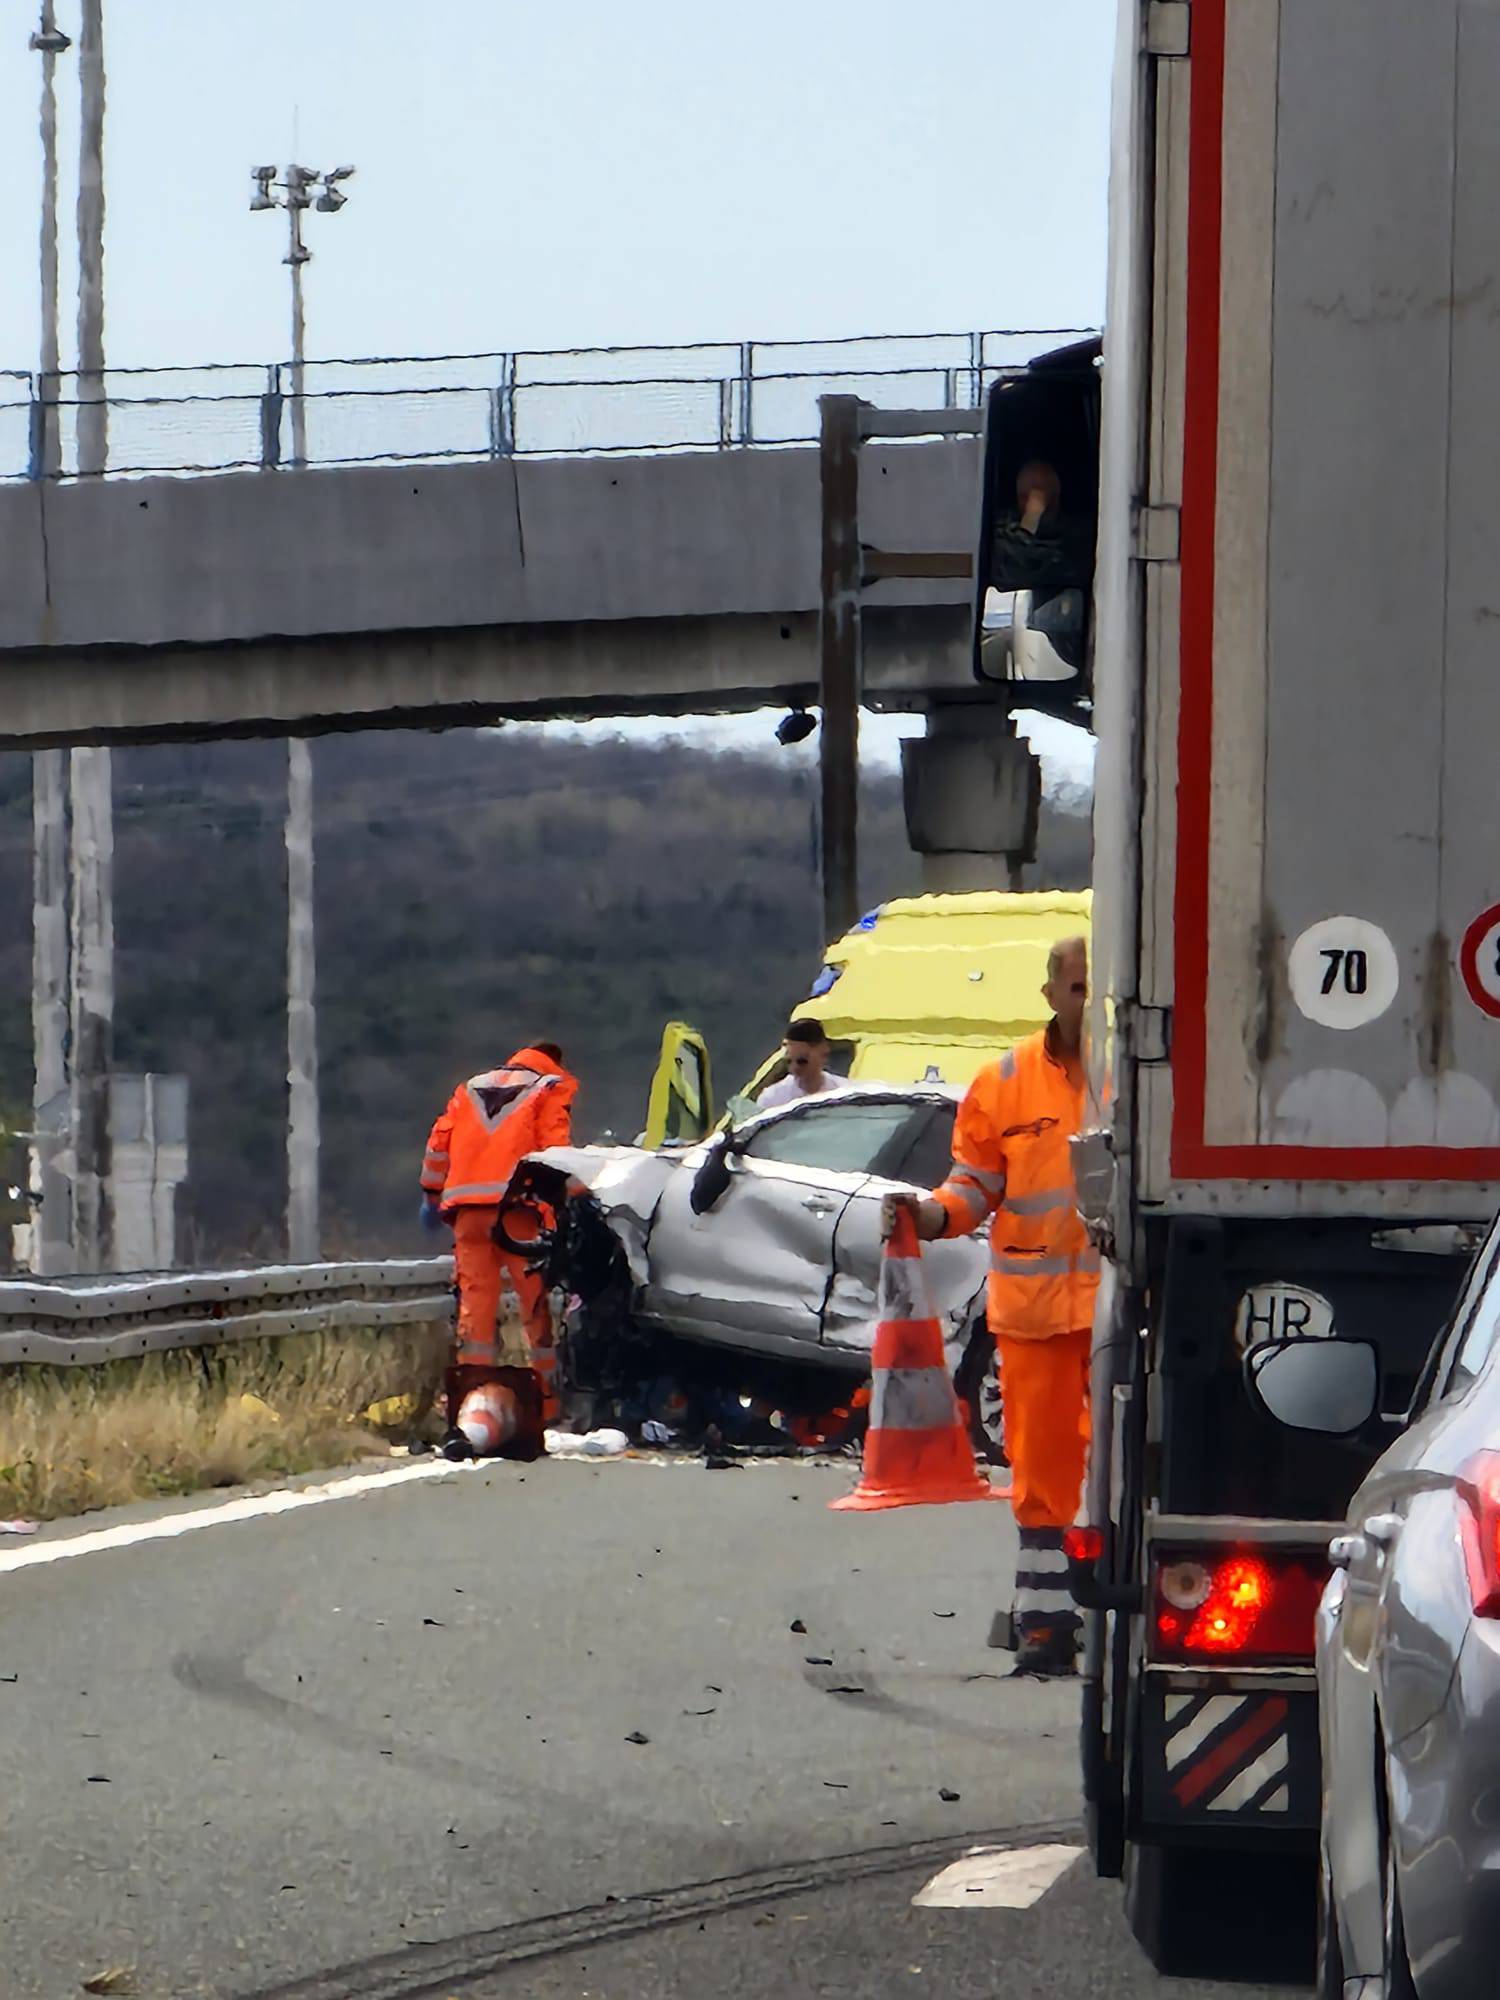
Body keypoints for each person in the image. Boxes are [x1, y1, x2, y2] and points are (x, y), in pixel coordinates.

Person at [884, 937, 1098, 1676]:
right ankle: (1046, 1626)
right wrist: (931, 1216)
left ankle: (1111, 1616)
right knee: (1041, 1470)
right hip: (1036, 1313)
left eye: (1097, 988)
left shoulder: (1142, 1075)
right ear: (1049, 995)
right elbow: (974, 1186)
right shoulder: (1001, 1083)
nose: (1086, 1001)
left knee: (1124, 1463)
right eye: (1075, 987)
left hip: (1123, 1311)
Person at [419, 1043, 579, 1458]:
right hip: (517, 1211)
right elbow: (556, 1152)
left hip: (467, 1210)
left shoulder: (470, 1087)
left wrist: (432, 1193)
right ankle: (546, 1403)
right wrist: (578, 1199)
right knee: (534, 1305)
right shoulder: (548, 1088)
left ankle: (472, 1398)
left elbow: (439, 1143)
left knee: (476, 1308)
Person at [756, 1018, 848, 1110]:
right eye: (788, 1062)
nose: (793, 1069)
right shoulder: (772, 1100)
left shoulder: (846, 1093)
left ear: (823, 1054)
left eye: (802, 1061)